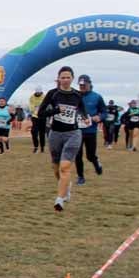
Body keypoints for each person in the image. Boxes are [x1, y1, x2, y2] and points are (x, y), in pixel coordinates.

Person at [38, 66, 88, 211]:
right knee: (56, 167)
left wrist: (85, 117)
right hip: (55, 133)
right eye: (63, 77)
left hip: (73, 133)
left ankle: (59, 200)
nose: (65, 80)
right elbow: (41, 113)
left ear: (72, 79)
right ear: (58, 79)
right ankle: (66, 186)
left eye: (68, 77)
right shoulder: (53, 94)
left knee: (65, 167)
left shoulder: (77, 95)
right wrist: (56, 110)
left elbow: (82, 109)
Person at [74, 74, 106, 185]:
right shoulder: (75, 96)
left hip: (90, 131)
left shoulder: (97, 97)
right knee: (77, 155)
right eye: (80, 85)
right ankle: (80, 177)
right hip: (76, 131)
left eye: (84, 85)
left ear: (89, 84)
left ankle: (96, 163)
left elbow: (104, 112)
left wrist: (99, 117)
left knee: (90, 155)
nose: (82, 87)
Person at [29, 86, 46, 153]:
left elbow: (46, 105)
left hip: (42, 117)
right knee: (33, 131)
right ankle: (36, 146)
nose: (38, 94)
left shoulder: (44, 97)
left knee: (42, 133)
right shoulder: (32, 97)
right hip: (35, 116)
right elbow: (31, 105)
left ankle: (42, 147)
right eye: (37, 92)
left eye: (39, 92)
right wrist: (34, 110)